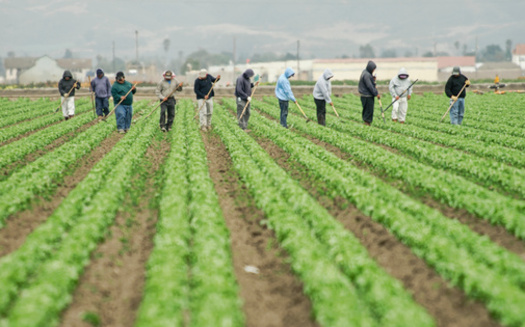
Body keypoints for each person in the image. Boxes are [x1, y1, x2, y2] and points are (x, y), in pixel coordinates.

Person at [358, 60, 380, 126]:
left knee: (367, 110)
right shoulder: (367, 75)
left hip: (365, 95)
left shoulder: (366, 73)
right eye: (373, 69)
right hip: (367, 96)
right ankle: (367, 123)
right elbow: (369, 85)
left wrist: (372, 79)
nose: (373, 70)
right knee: (368, 110)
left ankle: (367, 123)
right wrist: (376, 93)